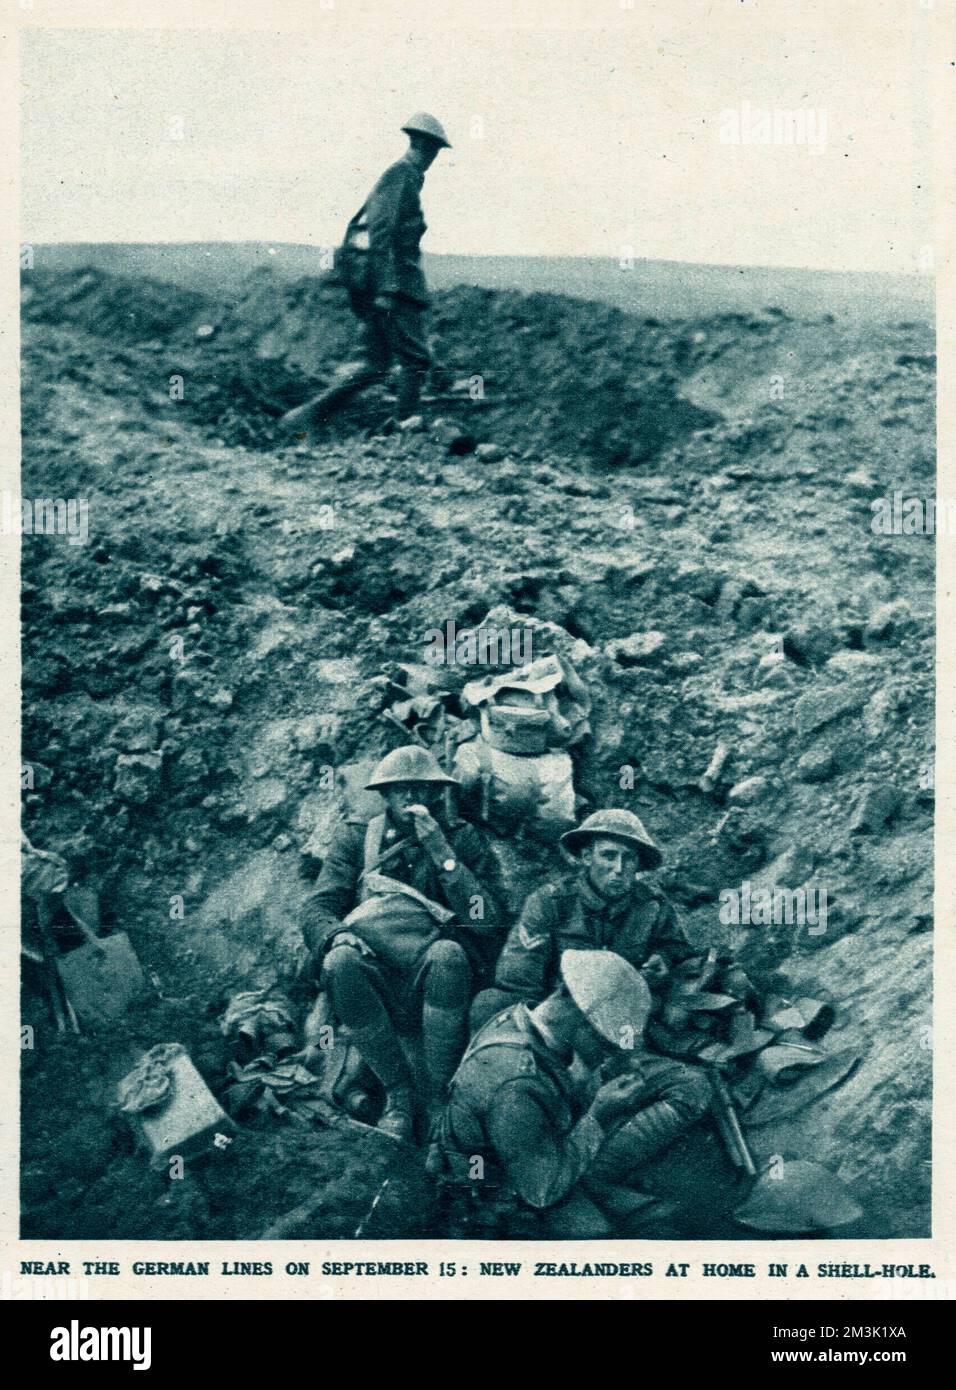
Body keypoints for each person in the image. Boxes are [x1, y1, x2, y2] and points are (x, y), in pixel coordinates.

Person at [432, 949, 711, 1237]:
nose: (608, 1053)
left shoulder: (522, 1021)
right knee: (614, 1235)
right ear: (581, 1018)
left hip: (538, 1149)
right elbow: (542, 1191)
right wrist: (599, 1114)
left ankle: (600, 1185)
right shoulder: (516, 1086)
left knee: (656, 1215)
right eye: (606, 1042)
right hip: (505, 1188)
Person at [302, 745, 501, 1141]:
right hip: (374, 976)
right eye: (399, 790)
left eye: (419, 788)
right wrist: (338, 934)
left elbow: (487, 921)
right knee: (339, 961)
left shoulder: (461, 839)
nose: (410, 798)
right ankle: (399, 1098)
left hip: (438, 979)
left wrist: (442, 854)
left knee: (448, 954)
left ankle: (437, 1097)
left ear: (434, 793)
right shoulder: (356, 838)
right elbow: (317, 908)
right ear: (385, 795)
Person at [280, 113, 451, 436]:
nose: (432, 157)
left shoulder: (407, 176)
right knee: (415, 359)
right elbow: (381, 232)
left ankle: (305, 417)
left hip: (388, 285)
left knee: (376, 364)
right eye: (432, 150)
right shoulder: (401, 175)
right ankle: (406, 429)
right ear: (422, 145)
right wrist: (386, 288)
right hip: (395, 288)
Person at [470, 807, 696, 1032]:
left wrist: (663, 958)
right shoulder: (550, 902)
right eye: (608, 855)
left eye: (629, 858)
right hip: (554, 1012)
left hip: (620, 1015)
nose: (618, 868)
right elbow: (518, 981)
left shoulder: (651, 904)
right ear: (587, 857)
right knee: (490, 1004)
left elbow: (678, 949)